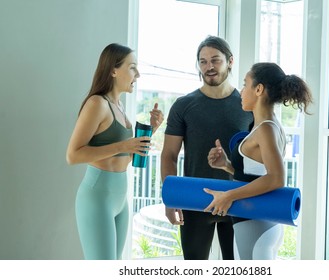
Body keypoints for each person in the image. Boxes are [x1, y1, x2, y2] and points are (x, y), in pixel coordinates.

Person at [66, 43, 164, 260]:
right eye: (132, 67)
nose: (137, 74)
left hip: (120, 198)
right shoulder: (97, 104)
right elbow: (73, 155)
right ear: (113, 70)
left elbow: (124, 158)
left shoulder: (119, 106)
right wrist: (122, 145)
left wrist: (152, 129)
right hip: (98, 197)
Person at [205, 62, 313, 260]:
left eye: (245, 84)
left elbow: (276, 178)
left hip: (255, 224)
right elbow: (256, 173)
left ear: (259, 89)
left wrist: (228, 195)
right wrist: (227, 165)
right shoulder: (265, 126)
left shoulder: (266, 129)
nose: (241, 90)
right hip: (257, 223)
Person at [161, 36, 253, 260]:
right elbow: (169, 155)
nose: (209, 67)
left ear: (230, 61)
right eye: (203, 61)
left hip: (239, 199)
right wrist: (170, 197)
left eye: (215, 60)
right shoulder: (184, 105)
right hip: (195, 200)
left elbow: (258, 156)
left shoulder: (247, 104)